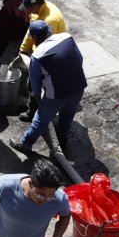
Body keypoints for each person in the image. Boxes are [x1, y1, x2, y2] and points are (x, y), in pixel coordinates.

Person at [9, 21, 87, 156]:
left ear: (34, 37)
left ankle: (25, 143)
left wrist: (37, 95)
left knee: (40, 119)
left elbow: (35, 80)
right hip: (79, 86)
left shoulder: (38, 55)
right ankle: (63, 135)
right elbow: (79, 59)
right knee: (68, 114)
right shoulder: (66, 37)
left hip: (57, 94)